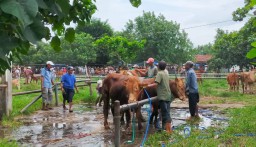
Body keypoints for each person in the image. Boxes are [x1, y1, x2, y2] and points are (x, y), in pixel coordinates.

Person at [147, 61, 173, 134]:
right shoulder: (166, 72)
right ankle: (165, 128)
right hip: (168, 95)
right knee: (167, 112)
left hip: (162, 96)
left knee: (165, 113)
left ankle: (168, 130)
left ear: (158, 67)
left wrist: (148, 85)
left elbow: (156, 83)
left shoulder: (160, 73)